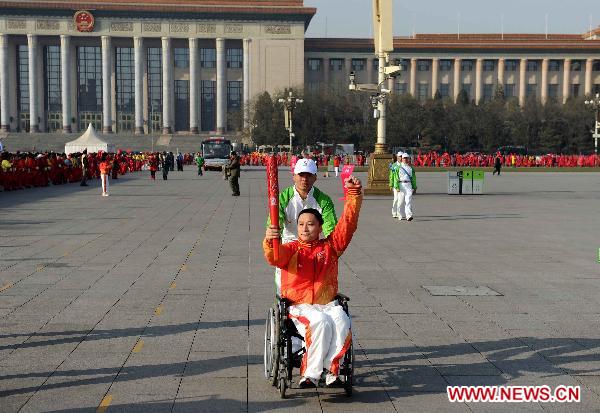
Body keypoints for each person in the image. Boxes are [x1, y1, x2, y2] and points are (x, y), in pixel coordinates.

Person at [263, 175, 363, 388]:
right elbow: (274, 257)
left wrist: (353, 195)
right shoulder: (291, 250)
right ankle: (310, 373)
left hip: (327, 303)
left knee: (342, 321)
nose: (304, 228)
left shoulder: (331, 248)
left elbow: (348, 224)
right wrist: (271, 239)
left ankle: (332, 371)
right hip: (300, 306)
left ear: (320, 227)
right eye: (300, 224)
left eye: (310, 224)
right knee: (320, 322)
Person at [397, 152, 417, 221]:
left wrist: (414, 186)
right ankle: (399, 214)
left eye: (406, 158)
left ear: (408, 159)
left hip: (408, 185)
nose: (405, 159)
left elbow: (413, 178)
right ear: (401, 159)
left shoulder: (410, 168)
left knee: (408, 200)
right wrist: (396, 187)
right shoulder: (398, 167)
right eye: (404, 158)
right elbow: (395, 178)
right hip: (401, 185)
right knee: (400, 202)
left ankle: (409, 215)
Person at [389, 152, 402, 218]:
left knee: (401, 200)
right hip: (395, 184)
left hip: (402, 185)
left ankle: (399, 212)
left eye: (401, 157)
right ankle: (394, 212)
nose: (400, 158)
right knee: (396, 198)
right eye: (399, 156)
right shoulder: (393, 165)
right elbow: (391, 176)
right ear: (397, 157)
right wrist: (391, 184)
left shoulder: (404, 165)